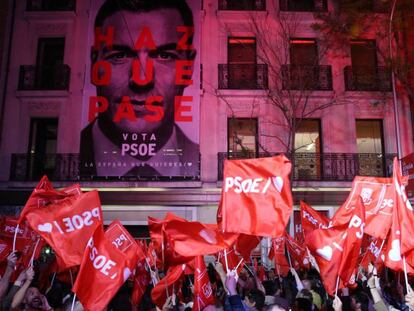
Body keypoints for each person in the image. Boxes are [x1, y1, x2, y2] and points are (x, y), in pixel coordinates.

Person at [80, 0, 199, 178]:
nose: (141, 80)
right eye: (120, 56)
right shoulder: (77, 153)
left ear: (189, 67)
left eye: (165, 56)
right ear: (94, 62)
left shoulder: (198, 160)